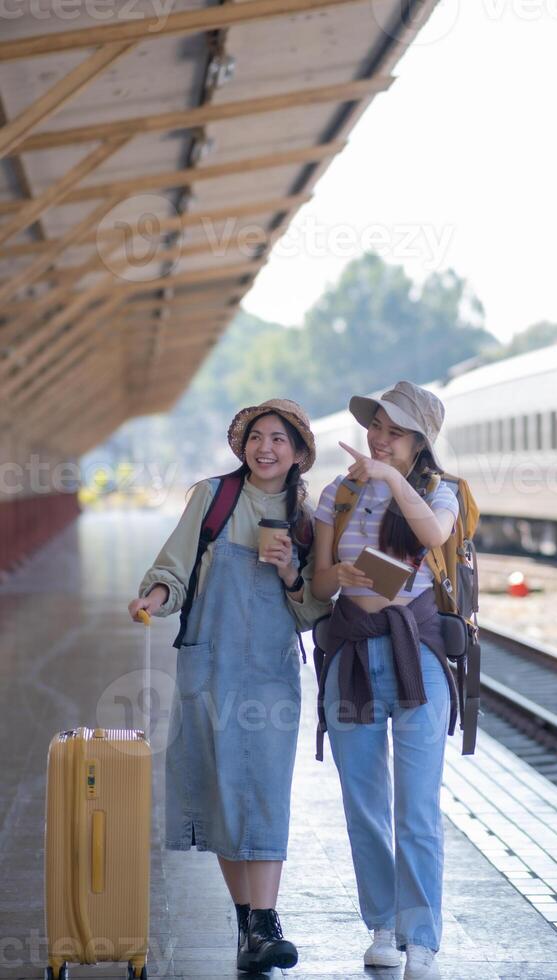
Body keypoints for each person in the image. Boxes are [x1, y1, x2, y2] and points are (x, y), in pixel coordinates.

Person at [128, 399, 330, 974]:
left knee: (264, 787)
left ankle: (265, 922)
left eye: (279, 440)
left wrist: (290, 571)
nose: (266, 448)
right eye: (257, 437)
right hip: (210, 665)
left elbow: (314, 607)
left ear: (297, 454)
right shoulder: (212, 498)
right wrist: (154, 598)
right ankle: (247, 925)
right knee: (220, 790)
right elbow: (173, 568)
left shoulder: (308, 517)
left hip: (270, 673)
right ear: (244, 445)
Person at [311, 381, 460, 980]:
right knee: (363, 803)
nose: (379, 437)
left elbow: (434, 537)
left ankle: (421, 936)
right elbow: (319, 586)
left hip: (417, 656)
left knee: (417, 806)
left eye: (394, 431)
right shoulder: (336, 493)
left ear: (419, 442)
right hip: (352, 656)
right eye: (377, 425)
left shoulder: (439, 491)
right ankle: (382, 926)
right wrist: (339, 572)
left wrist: (392, 479)